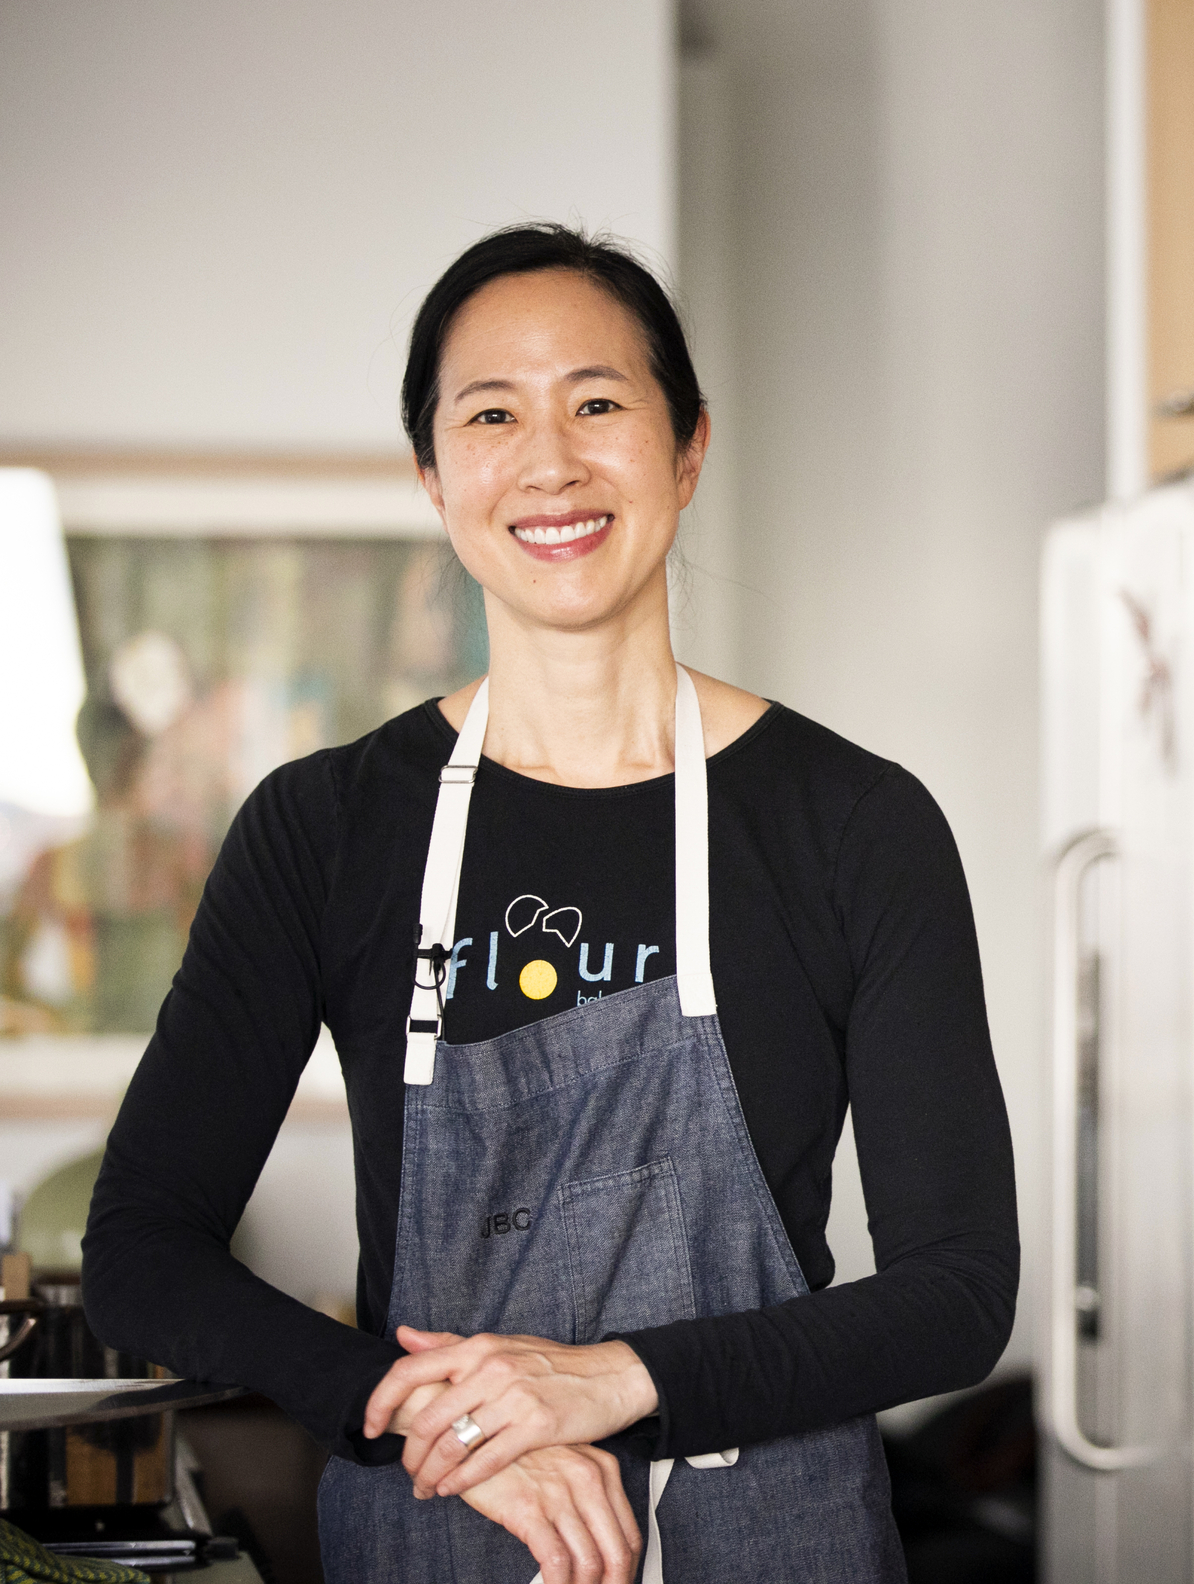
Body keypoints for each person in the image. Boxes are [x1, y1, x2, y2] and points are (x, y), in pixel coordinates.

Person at [83, 224, 1019, 1584]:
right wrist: (442, 1408)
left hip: (777, 1540)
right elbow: (139, 1251)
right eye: (492, 415)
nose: (551, 460)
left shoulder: (854, 825)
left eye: (598, 402)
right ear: (433, 473)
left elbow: (956, 1292)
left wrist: (609, 1380)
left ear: (688, 446)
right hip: (444, 1521)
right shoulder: (326, 828)